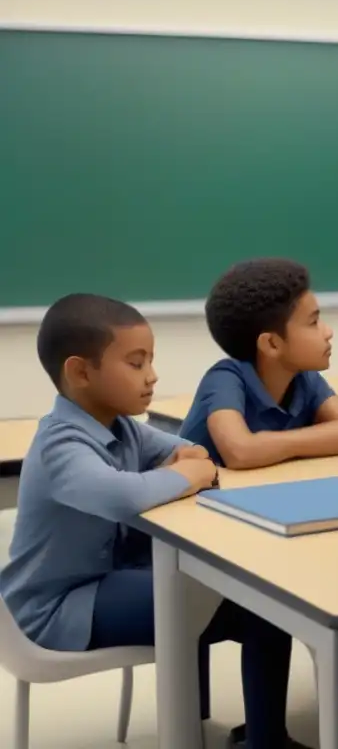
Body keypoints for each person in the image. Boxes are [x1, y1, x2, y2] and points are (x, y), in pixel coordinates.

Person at [0, 294, 309, 748]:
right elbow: (126, 497)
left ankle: (245, 730)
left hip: (106, 581)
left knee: (238, 594)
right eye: (135, 363)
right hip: (58, 608)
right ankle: (253, 738)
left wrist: (183, 466)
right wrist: (185, 473)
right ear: (81, 373)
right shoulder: (60, 444)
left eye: (151, 361)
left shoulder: (118, 425)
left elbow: (185, 449)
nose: (153, 376)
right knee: (250, 601)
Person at [179, 258, 338, 468]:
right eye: (313, 323)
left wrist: (272, 445)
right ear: (272, 344)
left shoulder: (303, 377)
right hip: (201, 499)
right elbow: (240, 451)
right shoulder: (225, 378)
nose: (328, 332)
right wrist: (312, 440)